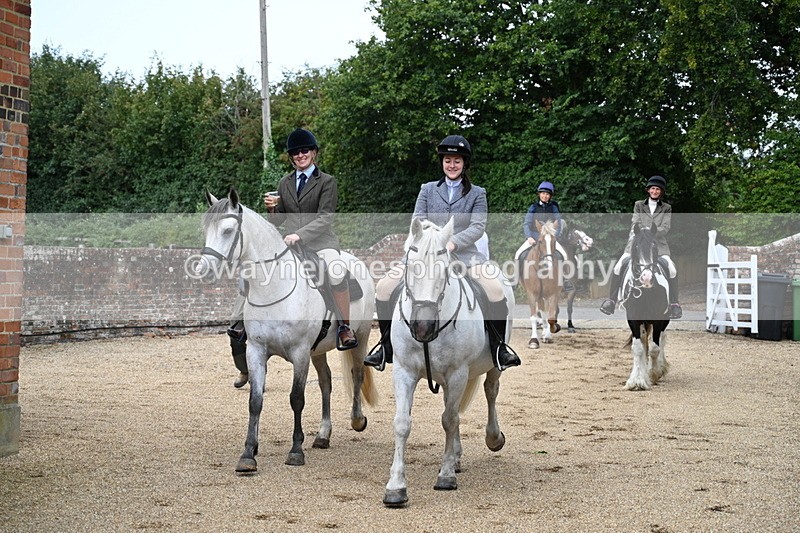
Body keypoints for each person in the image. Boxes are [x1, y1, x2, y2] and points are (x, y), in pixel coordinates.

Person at [363, 134, 521, 372]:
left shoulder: (478, 193)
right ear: (442, 162)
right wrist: (431, 242)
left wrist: (453, 243)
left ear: (464, 163)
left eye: (457, 161)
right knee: (384, 287)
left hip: (464, 255)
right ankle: (385, 346)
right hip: (426, 255)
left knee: (496, 289)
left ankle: (499, 347)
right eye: (448, 160)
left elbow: (478, 227)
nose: (452, 165)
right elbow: (418, 220)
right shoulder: (427, 190)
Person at [227, 128, 357, 388]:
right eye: (295, 152)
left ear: (314, 153)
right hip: (289, 245)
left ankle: (344, 327)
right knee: (257, 272)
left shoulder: (327, 181)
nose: (300, 155)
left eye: (304, 151)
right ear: (291, 157)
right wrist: (273, 210)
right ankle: (242, 321)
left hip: (321, 243)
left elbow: (325, 217)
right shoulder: (285, 183)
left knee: (335, 270)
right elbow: (279, 220)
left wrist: (299, 234)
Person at [599, 175, 682, 319]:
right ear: (648, 190)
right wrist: (642, 234)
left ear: (661, 192)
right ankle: (611, 300)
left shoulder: (667, 208)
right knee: (618, 267)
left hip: (658, 246)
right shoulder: (639, 205)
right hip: (637, 244)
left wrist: (650, 233)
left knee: (672, 269)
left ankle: (674, 304)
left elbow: (665, 227)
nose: (655, 191)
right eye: (653, 188)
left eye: (658, 189)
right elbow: (635, 222)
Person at [513, 181, 568, 265]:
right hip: (534, 237)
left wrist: (554, 237)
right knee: (518, 254)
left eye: (547, 194)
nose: (545, 196)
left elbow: (559, 223)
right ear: (539, 194)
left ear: (550, 196)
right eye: (543, 193)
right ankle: (517, 277)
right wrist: (529, 237)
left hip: (549, 239)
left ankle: (564, 277)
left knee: (564, 255)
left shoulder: (553, 208)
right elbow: (526, 224)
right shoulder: (533, 207)